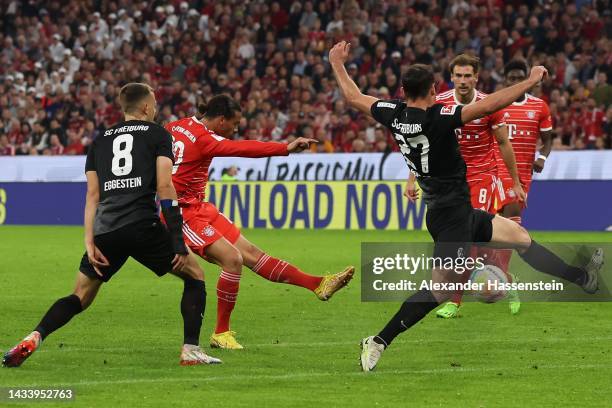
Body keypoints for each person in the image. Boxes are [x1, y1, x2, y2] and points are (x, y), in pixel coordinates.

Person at [327, 41, 603, 372]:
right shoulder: (439, 118)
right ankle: (378, 341)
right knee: (440, 289)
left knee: (520, 238)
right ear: (433, 89)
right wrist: (529, 83)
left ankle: (582, 277)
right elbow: (488, 107)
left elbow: (354, 97)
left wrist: (336, 64)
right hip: (451, 217)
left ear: (403, 91)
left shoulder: (394, 114)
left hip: (453, 211)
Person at [3, 83, 221, 367]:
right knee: (195, 276)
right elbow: (166, 186)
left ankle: (36, 335)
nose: (155, 108)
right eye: (153, 103)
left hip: (105, 230)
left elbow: (92, 195)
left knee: (79, 296)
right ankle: (191, 350)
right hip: (142, 225)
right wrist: (177, 240)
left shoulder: (100, 140)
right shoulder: (159, 134)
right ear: (145, 107)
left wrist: (89, 241)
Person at [166, 94, 355, 350]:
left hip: (200, 207)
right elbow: (243, 148)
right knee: (233, 260)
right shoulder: (205, 139)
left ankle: (317, 284)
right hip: (182, 212)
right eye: (234, 123)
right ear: (221, 120)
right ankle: (221, 333)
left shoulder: (177, 125)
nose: (235, 129)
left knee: (252, 254)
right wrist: (284, 148)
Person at [431, 54, 524, 318]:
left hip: (482, 176)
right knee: (460, 242)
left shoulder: (488, 105)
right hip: (450, 181)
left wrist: (515, 182)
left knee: (467, 239)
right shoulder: (440, 103)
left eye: (467, 76)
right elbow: (426, 142)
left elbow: (504, 143)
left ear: (476, 77)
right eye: (458, 75)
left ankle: (455, 300)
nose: (462, 81)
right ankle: (505, 279)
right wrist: (413, 179)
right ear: (451, 77)